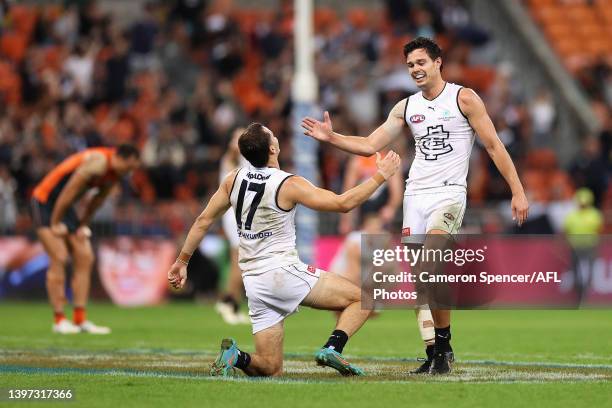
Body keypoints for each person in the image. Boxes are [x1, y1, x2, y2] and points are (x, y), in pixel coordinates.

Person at [301, 37, 529, 374]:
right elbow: (369, 145)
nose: (415, 70)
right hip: (415, 197)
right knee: (422, 280)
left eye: (421, 62)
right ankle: (439, 349)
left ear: (438, 62)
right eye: (410, 65)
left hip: (449, 193)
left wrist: (518, 190)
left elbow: (494, 146)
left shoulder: (464, 98)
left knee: (429, 265)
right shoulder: (407, 108)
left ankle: (443, 345)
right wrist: (333, 138)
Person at [168, 123, 400, 377]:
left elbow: (203, 220)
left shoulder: (232, 179)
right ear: (273, 148)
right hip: (282, 272)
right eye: (273, 135)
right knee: (361, 299)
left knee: (270, 367)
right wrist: (381, 176)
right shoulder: (288, 184)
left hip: (254, 282)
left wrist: (182, 261)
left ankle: (236, 356)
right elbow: (342, 203)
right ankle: (333, 348)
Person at [31, 145, 141, 334]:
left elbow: (95, 202)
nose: (129, 172)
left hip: (65, 206)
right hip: (44, 201)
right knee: (59, 256)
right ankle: (59, 320)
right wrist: (56, 222)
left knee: (85, 256)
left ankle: (80, 319)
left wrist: (82, 225)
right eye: (128, 167)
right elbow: (69, 191)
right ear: (120, 158)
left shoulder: (114, 174)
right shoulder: (98, 162)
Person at [215, 127, 250, 324]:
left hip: (243, 214)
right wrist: (236, 142)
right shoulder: (230, 158)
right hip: (233, 214)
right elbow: (233, 153)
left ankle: (231, 303)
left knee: (239, 261)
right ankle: (228, 303)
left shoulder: (248, 159)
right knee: (238, 260)